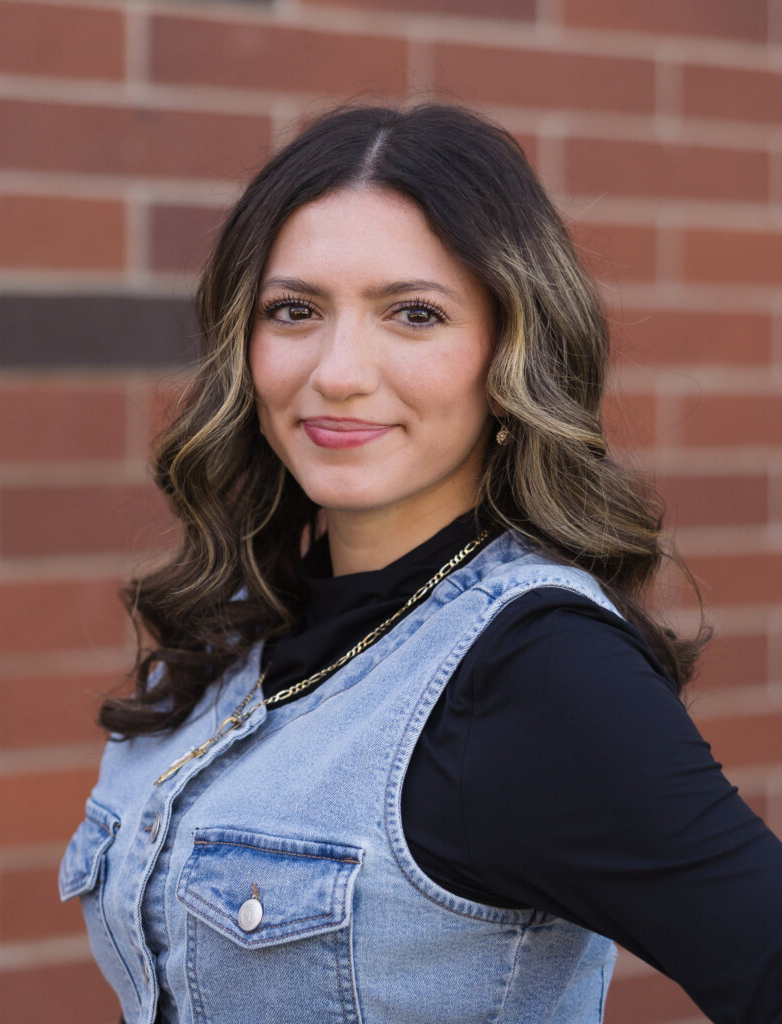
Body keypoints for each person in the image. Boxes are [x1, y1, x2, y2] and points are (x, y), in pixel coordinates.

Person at [59, 103, 782, 1024]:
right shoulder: (236, 622)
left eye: (412, 314)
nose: (338, 370)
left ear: (509, 351)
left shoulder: (538, 670)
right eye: (295, 310)